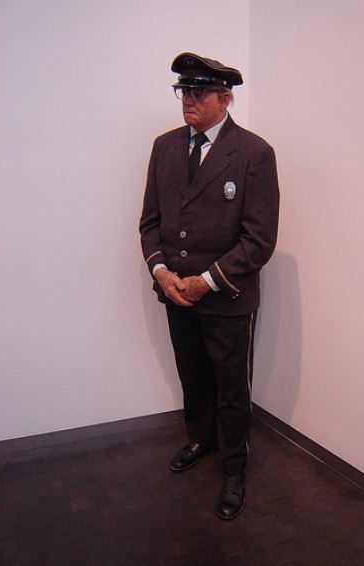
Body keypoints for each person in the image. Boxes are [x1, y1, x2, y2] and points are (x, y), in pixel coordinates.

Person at [139, 52, 279, 520]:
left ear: (226, 98)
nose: (188, 100)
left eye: (199, 92)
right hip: (176, 292)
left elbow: (259, 240)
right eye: (184, 91)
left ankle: (234, 469)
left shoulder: (254, 153)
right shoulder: (164, 147)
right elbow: (150, 222)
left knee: (232, 387)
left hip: (226, 296)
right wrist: (162, 272)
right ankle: (200, 438)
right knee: (193, 375)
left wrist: (207, 281)